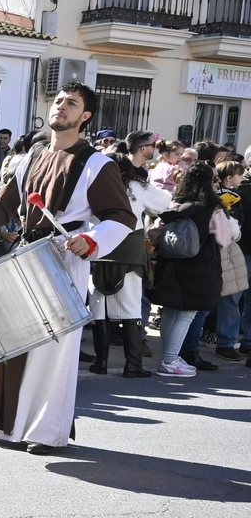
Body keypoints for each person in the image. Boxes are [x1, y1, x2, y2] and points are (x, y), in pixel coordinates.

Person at [0, 83, 137, 452]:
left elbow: (121, 217)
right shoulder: (29, 157)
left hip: (64, 259)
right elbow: (3, 206)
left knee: (53, 349)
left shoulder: (98, 164)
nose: (61, 107)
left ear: (85, 117)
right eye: (59, 101)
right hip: (23, 254)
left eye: (72, 104)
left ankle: (45, 430)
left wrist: (93, 240)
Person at [90, 144, 164, 378]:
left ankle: (100, 364)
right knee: (131, 306)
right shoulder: (136, 186)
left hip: (98, 250)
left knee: (99, 308)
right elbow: (164, 203)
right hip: (126, 252)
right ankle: (132, 365)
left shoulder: (92, 185)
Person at [151, 163, 223, 378]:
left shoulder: (175, 203)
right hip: (198, 265)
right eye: (215, 179)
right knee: (186, 315)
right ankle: (170, 360)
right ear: (205, 182)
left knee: (171, 312)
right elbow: (227, 235)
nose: (218, 182)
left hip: (170, 261)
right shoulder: (210, 205)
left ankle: (169, 358)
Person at [210, 159, 247, 364]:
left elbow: (240, 220)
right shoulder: (215, 195)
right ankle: (192, 343)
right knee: (223, 297)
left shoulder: (237, 197)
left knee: (231, 297)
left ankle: (225, 342)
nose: (242, 177)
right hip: (214, 251)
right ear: (229, 177)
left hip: (232, 248)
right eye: (239, 174)